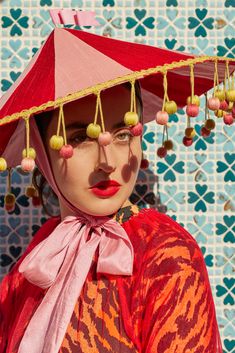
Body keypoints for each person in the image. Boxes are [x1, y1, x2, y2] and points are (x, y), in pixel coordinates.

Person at [0, 23, 229, 353]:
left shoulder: (166, 256)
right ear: (41, 150)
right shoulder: (38, 262)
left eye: (123, 134)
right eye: (78, 138)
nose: (106, 161)